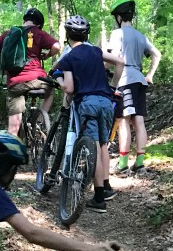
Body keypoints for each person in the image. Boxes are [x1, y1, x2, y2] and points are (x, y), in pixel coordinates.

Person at [52, 15, 124, 213]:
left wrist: (58, 78)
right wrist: (113, 88)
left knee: (93, 147)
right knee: (102, 145)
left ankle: (99, 198)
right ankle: (105, 188)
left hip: (88, 103)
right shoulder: (95, 51)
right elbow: (120, 62)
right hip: (106, 102)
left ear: (68, 36)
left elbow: (69, 88)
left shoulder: (69, 58)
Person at [107, 0, 161, 175]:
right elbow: (157, 54)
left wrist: (102, 67)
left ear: (119, 17)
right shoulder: (140, 36)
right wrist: (150, 75)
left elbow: (114, 58)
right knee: (139, 121)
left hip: (124, 80)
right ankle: (139, 163)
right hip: (139, 80)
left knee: (123, 121)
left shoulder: (117, 34)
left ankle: (123, 164)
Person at [0, 8, 60, 136]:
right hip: (37, 79)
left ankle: (13, 141)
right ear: (39, 24)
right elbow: (56, 46)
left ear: (24, 20)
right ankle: (40, 122)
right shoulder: (38, 33)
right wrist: (47, 55)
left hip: (16, 82)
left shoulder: (9, 34)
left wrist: (2, 55)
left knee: (13, 128)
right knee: (50, 89)